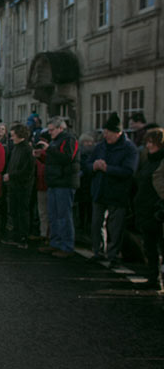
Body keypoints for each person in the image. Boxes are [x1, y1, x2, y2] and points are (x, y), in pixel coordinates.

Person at [86, 113, 138, 267]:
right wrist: (94, 166)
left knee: (115, 226)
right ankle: (98, 251)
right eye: (105, 132)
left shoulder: (129, 149)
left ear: (118, 132)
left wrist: (108, 168)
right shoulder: (100, 146)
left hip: (117, 192)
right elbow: (87, 165)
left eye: (109, 132)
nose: (106, 135)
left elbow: (129, 171)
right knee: (96, 223)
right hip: (99, 190)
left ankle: (113, 255)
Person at [39, 116, 80, 258]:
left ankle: (66, 245)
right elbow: (54, 159)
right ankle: (55, 243)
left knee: (64, 216)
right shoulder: (57, 140)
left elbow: (67, 157)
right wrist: (41, 156)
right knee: (54, 215)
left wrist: (49, 149)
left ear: (60, 128)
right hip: (55, 182)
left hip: (64, 183)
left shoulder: (69, 139)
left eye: (52, 130)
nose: (49, 133)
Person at [133, 128, 164, 289]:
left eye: (151, 142)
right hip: (145, 209)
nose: (148, 145)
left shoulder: (160, 161)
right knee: (150, 247)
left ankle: (158, 279)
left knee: (160, 247)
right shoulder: (149, 160)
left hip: (158, 211)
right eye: (147, 142)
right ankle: (154, 277)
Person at [2, 124, 35, 248]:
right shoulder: (17, 148)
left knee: (22, 212)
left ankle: (22, 237)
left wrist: (11, 176)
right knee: (14, 212)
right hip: (14, 185)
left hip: (23, 187)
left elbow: (27, 171)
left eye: (13, 135)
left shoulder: (27, 149)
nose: (11, 138)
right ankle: (16, 236)